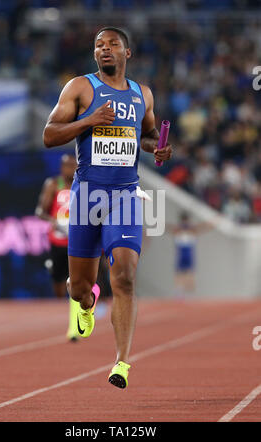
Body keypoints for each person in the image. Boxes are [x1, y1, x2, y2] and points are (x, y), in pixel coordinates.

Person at [43, 26, 173, 388]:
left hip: (125, 195)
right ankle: (87, 303)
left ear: (126, 53)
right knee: (78, 287)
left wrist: (156, 148)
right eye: (99, 45)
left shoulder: (141, 94)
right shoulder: (80, 88)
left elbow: (146, 136)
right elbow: (49, 134)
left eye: (112, 44)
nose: (104, 49)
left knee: (126, 278)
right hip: (87, 197)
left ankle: (121, 364)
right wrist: (88, 121)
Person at [35, 153, 80, 341]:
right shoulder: (53, 185)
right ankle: (66, 309)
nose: (70, 169)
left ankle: (75, 321)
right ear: (62, 168)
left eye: (73, 165)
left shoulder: (83, 185)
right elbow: (39, 211)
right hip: (57, 241)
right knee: (58, 284)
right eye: (67, 166)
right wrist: (54, 221)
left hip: (78, 241)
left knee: (77, 280)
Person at [166, 211, 215, 300]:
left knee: (188, 274)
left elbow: (202, 227)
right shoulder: (181, 230)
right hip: (182, 254)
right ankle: (180, 292)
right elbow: (169, 228)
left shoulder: (190, 230)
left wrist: (210, 224)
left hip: (187, 254)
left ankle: (187, 292)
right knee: (181, 273)